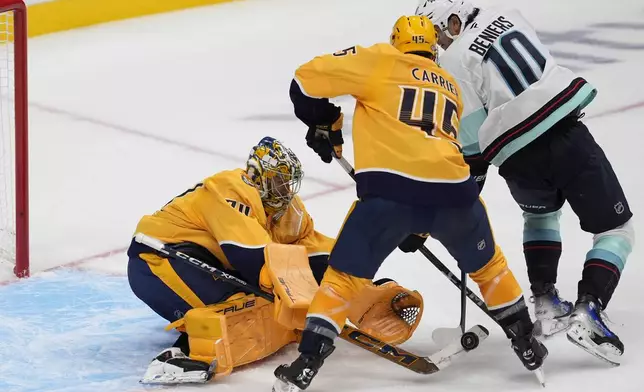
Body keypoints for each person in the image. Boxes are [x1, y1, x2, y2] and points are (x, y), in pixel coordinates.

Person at [273, 15, 547, 392]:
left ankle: (308, 361)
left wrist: (324, 121)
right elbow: (430, 153)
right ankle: (526, 340)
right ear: (432, 48)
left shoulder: (381, 59)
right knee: (490, 268)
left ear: (396, 40)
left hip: (389, 196)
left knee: (342, 281)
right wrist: (420, 223)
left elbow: (304, 79)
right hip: (456, 195)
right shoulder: (450, 84)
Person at [415, 0, 633, 363]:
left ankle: (545, 302)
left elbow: (471, 145)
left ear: (453, 22)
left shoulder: (453, 64)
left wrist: (463, 193)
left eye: (439, 34)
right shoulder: (508, 15)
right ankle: (588, 308)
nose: (439, 45)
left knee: (540, 217)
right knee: (617, 229)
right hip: (566, 136)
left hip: (517, 157)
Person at [127, 136, 423, 384]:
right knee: (252, 309)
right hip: (158, 260)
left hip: (210, 261)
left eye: (288, 183)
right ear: (257, 175)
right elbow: (256, 262)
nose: (285, 190)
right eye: (278, 181)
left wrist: (354, 281)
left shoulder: (287, 208)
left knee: (271, 306)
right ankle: (185, 354)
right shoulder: (230, 189)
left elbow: (311, 249)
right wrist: (310, 303)